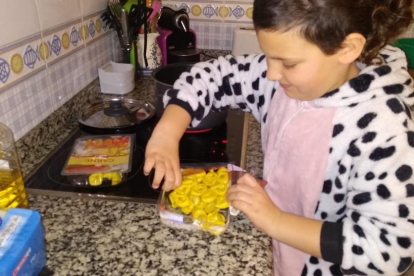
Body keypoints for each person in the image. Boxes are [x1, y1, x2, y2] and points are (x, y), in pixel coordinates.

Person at [144, 0, 414, 275]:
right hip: (282, 256)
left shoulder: (382, 127)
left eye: (288, 62)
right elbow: (214, 76)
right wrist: (167, 132)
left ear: (347, 48)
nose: (271, 73)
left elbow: (387, 250)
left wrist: (275, 221)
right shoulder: (282, 81)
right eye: (268, 56)